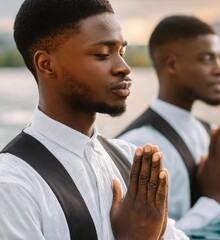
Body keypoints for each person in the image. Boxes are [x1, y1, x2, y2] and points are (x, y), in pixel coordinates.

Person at [0, 1, 188, 239]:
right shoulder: (12, 184)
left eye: (122, 53)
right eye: (102, 54)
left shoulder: (131, 162)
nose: (124, 68)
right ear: (46, 65)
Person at [118, 15, 220, 238]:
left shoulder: (208, 132)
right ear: (172, 65)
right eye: (207, 59)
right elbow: (149, 236)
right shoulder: (138, 144)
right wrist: (214, 199)